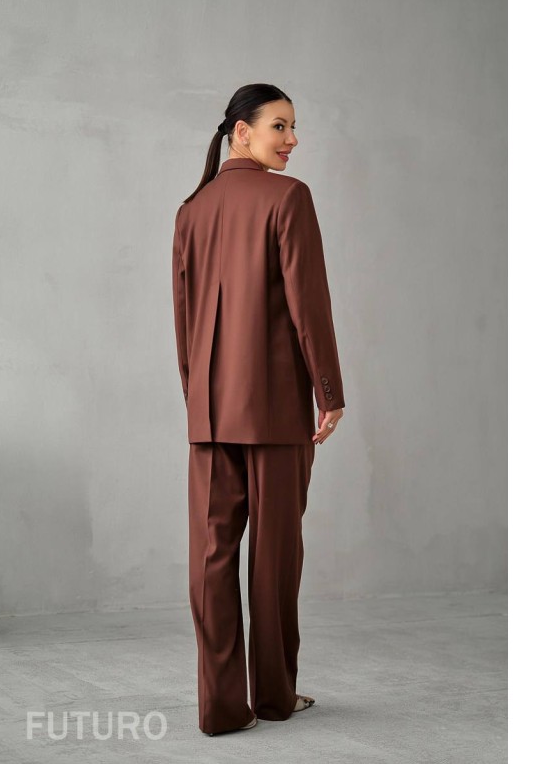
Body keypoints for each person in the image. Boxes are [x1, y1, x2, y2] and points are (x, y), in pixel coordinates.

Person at [171, 83, 345, 736]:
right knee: (274, 559)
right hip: (273, 413)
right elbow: (309, 306)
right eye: (280, 125)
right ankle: (273, 696)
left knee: (211, 557)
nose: (292, 139)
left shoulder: (192, 209)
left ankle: (219, 708)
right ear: (240, 131)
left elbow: (184, 322)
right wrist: (328, 392)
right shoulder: (288, 197)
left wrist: (197, 399)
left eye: (293, 126)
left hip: (209, 415)